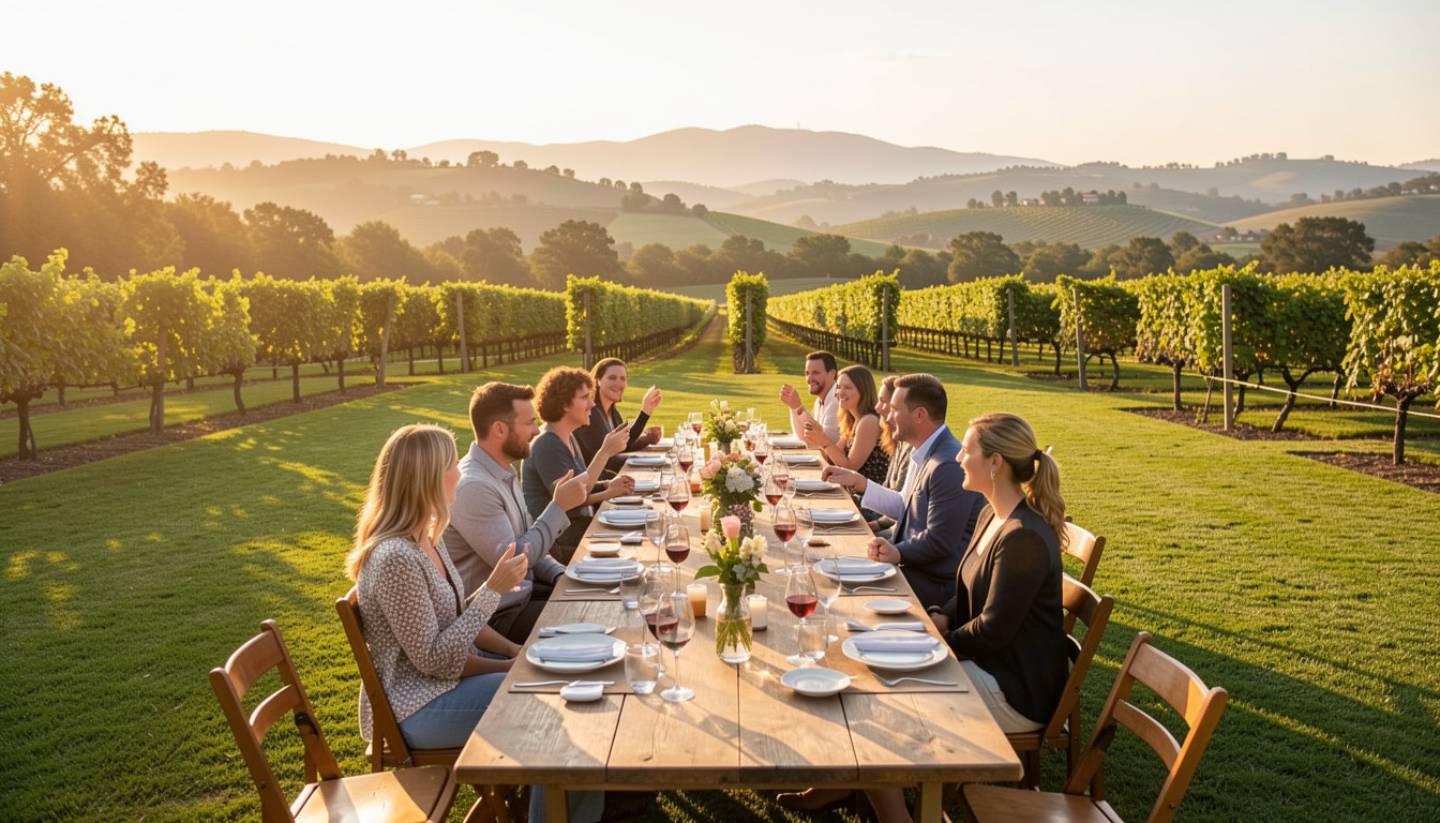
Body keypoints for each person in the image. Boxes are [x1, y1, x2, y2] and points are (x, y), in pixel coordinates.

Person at [346, 423, 531, 750]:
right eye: (451, 465)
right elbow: (433, 659)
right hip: (415, 706)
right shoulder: (395, 559)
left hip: (445, 684)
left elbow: (458, 617)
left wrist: (511, 651)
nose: (459, 473)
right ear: (427, 479)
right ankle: (554, 799)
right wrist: (492, 592)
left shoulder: (428, 537)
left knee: (538, 675)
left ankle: (551, 796)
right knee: (532, 692)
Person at [929, 412, 1069, 734]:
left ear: (995, 462)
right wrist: (942, 617)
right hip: (989, 665)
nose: (958, 457)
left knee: (914, 691)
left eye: (966, 450)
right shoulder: (991, 513)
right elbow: (971, 584)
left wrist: (940, 645)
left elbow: (994, 628)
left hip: (1015, 688)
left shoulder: (1023, 537)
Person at [443, 382, 592, 644]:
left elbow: (531, 540)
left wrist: (562, 576)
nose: (536, 430)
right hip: (497, 619)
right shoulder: (474, 486)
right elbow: (517, 560)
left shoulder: (504, 471)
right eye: (529, 423)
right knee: (595, 617)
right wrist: (558, 507)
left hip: (525, 596)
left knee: (599, 599)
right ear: (500, 429)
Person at [821, 373, 983, 610]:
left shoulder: (946, 464)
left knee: (843, 595)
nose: (886, 414)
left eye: (895, 409)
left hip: (935, 586)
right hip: (916, 571)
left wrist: (897, 551)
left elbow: (939, 541)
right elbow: (905, 507)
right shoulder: (924, 451)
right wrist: (860, 482)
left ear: (919, 415)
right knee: (833, 570)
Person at [522, 367, 636, 522]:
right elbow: (571, 500)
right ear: (564, 405)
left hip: (577, 527)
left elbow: (581, 485)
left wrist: (606, 485)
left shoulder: (568, 436)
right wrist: (604, 453)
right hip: (561, 540)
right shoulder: (547, 444)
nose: (592, 404)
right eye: (584, 398)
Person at [799, 364, 889, 486]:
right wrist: (820, 439)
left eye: (847, 387)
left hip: (868, 498)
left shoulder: (869, 421)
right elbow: (832, 459)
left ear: (863, 390)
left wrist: (824, 441)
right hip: (851, 492)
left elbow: (850, 468)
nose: (840, 392)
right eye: (838, 387)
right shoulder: (851, 420)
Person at [573, 357, 663, 474]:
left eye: (623, 379)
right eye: (612, 378)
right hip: (595, 484)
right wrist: (648, 461)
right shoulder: (589, 414)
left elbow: (624, 444)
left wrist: (646, 412)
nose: (618, 383)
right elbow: (606, 458)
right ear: (598, 380)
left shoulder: (612, 412)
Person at [779, 350, 840, 444]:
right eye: (807, 373)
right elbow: (804, 436)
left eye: (815, 373)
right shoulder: (819, 401)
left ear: (832, 374)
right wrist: (793, 407)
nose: (809, 378)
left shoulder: (836, 400)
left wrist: (798, 407)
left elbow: (824, 442)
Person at [878, 375, 913, 492]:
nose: (877, 407)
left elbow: (898, 499)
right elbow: (886, 487)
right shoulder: (900, 440)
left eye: (883, 401)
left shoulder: (911, 446)